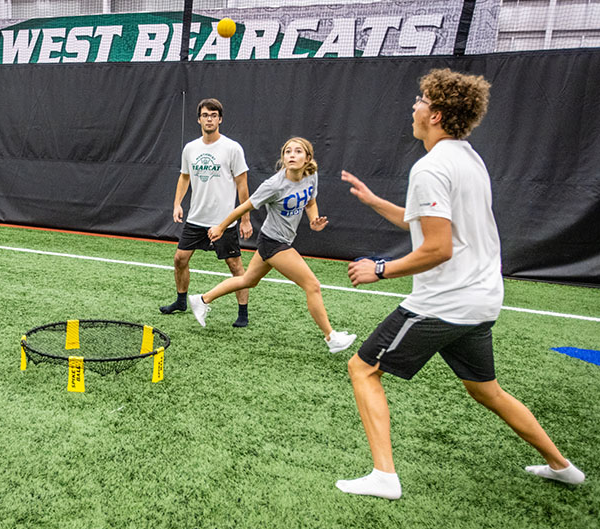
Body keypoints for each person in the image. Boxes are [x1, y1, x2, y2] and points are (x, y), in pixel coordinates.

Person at [337, 68, 583, 500]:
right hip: (482, 301)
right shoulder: (468, 158)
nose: (413, 106)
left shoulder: (431, 168)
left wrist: (380, 269)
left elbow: (438, 247)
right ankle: (562, 467)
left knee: (363, 368)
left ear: (435, 113)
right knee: (485, 390)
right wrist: (376, 202)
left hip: (444, 304)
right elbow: (428, 223)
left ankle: (384, 476)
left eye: (420, 100)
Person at [188, 137, 357, 353]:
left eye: (297, 151)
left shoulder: (311, 176)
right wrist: (220, 227)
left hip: (281, 240)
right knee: (312, 285)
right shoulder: (274, 185)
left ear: (307, 158)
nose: (292, 155)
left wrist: (314, 221)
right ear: (283, 158)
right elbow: (243, 208)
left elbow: (311, 202)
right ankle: (331, 337)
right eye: (288, 151)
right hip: (273, 242)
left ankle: (201, 299)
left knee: (248, 280)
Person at [160, 98, 253, 327]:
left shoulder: (232, 148)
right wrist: (177, 204)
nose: (209, 119)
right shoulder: (190, 148)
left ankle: (243, 313)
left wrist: (245, 219)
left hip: (224, 222)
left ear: (220, 119)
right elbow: (184, 176)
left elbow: (243, 185)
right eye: (205, 115)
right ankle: (181, 301)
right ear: (199, 119)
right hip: (196, 219)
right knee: (180, 259)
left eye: (213, 115)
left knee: (235, 266)